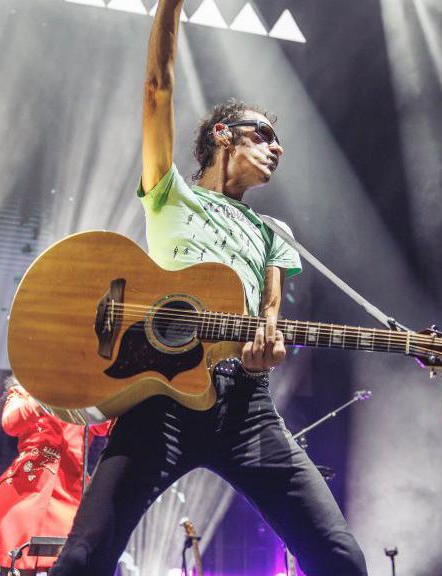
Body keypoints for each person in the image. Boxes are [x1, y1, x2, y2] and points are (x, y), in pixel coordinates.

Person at [48, 1, 367, 574]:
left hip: (245, 408)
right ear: (223, 134)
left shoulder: (275, 232)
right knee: (82, 558)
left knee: (341, 558)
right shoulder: (171, 192)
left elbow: (269, 320)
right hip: (159, 399)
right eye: (264, 135)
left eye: (280, 142)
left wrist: (266, 352)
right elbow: (156, 87)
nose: (278, 148)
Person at [0, 378, 109, 575]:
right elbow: (10, 422)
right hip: (25, 492)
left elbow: (105, 425)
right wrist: (48, 395)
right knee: (17, 562)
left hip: (71, 493)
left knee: (69, 563)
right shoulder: (24, 391)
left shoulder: (85, 397)